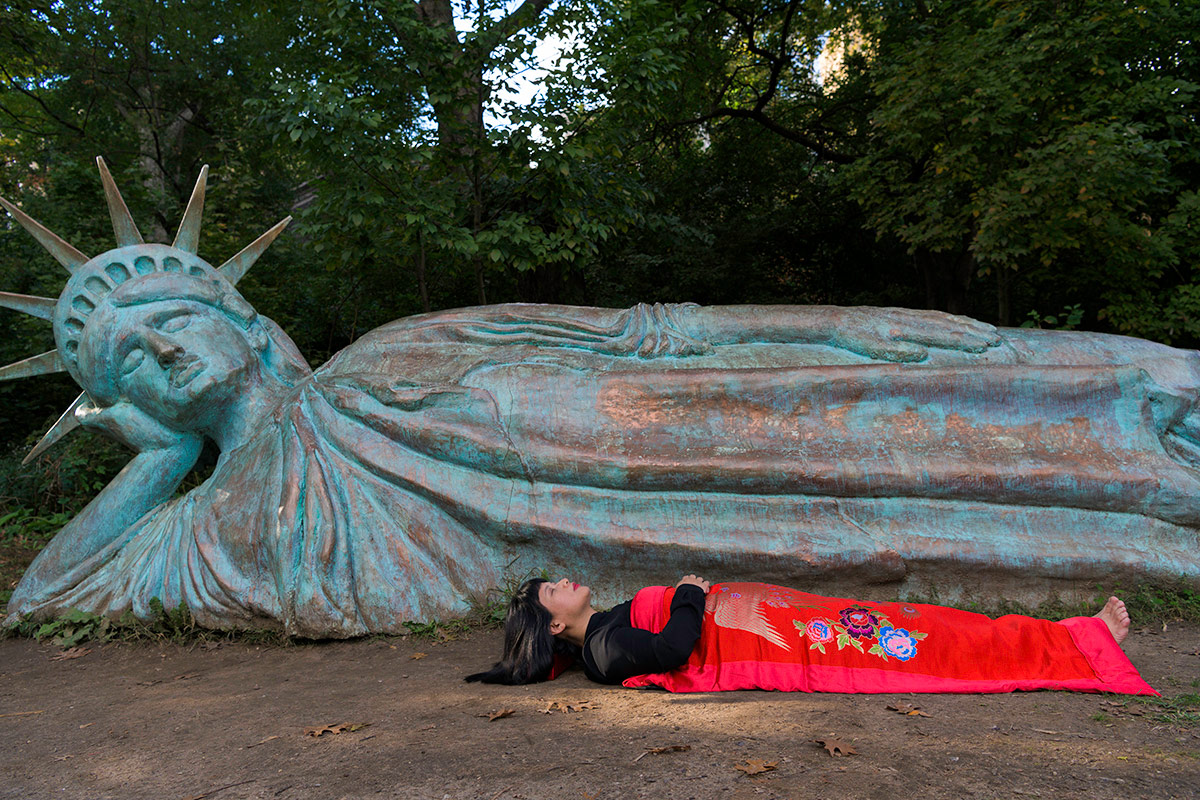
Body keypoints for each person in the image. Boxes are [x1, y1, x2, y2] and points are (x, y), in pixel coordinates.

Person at [4, 161, 1200, 638]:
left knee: (976, 407)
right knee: (889, 529)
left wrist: (825, 327)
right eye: (125, 370)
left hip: (734, 418)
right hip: (680, 538)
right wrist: (155, 454)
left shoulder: (398, 352)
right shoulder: (206, 530)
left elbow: (646, 334)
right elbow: (44, 597)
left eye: (167, 327)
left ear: (244, 317)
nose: (156, 359)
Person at [466, 575, 1156, 696]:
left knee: (921, 623)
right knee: (926, 646)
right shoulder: (602, 651)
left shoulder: (609, 625)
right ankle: (1080, 643)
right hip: (796, 643)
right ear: (553, 622)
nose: (562, 581)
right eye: (550, 590)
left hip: (796, 620)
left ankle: (1065, 635)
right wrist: (689, 594)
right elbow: (678, 648)